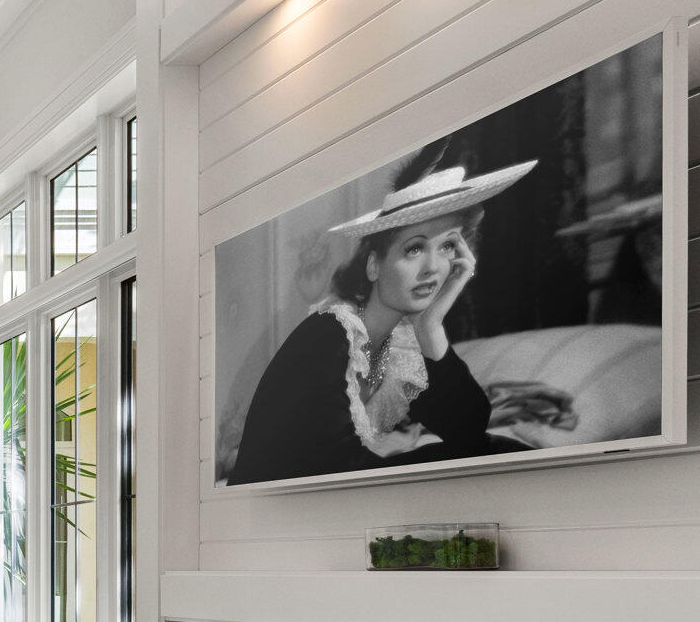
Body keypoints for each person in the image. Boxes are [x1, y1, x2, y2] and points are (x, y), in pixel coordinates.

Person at [229, 151, 536, 485]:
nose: (433, 268)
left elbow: (470, 430)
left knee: (495, 450)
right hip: (271, 519)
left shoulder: (400, 349)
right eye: (414, 249)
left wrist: (429, 326)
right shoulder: (327, 334)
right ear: (374, 265)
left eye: (447, 247)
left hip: (325, 507)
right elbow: (337, 467)